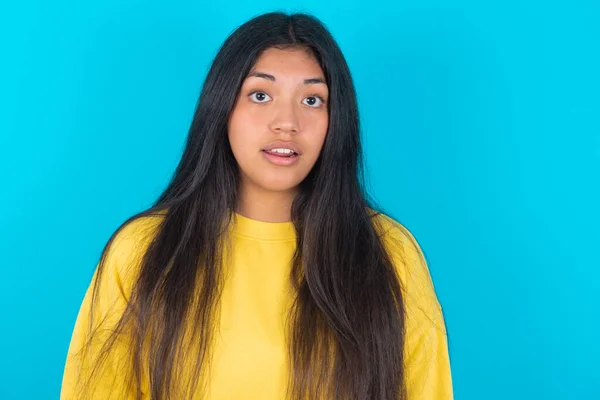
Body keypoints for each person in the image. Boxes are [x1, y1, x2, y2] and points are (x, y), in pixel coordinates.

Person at [60, 11, 453, 400]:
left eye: (312, 99)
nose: (287, 122)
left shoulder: (391, 254)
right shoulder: (143, 249)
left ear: (337, 120)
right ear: (222, 106)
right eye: (260, 95)